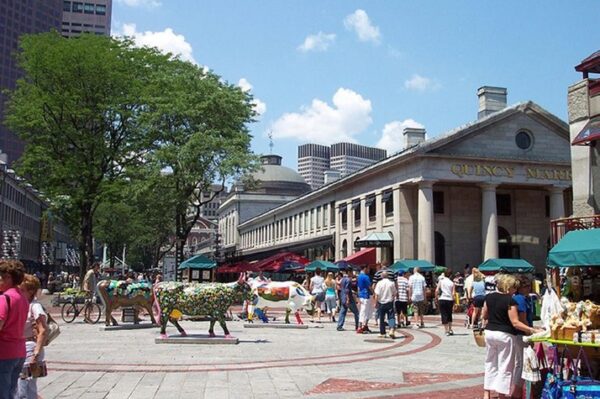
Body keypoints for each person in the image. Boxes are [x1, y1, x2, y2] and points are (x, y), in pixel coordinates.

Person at [481, 274, 540, 399]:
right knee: (505, 365)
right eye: (514, 287)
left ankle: (486, 394)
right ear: (509, 287)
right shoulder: (510, 300)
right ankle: (501, 395)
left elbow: (484, 315)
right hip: (505, 334)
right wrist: (532, 329)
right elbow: (515, 322)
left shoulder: (489, 297)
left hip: (490, 332)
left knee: (490, 362)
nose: (515, 290)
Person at [0, 260, 29, 399]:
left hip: (4, 351)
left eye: (1, 276)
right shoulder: (22, 298)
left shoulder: (5, 298)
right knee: (11, 391)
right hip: (19, 351)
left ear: (8, 278)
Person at [17, 274, 48, 399]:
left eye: (22, 290)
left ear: (31, 292)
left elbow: (43, 330)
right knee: (29, 388)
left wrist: (35, 354)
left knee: (22, 388)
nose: (19, 292)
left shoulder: (35, 306)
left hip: (30, 348)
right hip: (22, 347)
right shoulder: (23, 304)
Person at [511, 275, 535, 399]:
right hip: (522, 335)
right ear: (520, 287)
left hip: (523, 334)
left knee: (520, 363)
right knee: (521, 363)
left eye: (529, 286)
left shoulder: (525, 298)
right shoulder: (519, 299)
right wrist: (530, 332)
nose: (528, 288)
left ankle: (519, 391)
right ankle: (516, 392)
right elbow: (522, 319)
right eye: (526, 286)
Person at [374, 271, 398, 338]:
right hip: (389, 302)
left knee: (381, 318)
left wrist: (375, 303)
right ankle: (391, 329)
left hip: (381, 302)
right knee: (391, 317)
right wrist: (392, 298)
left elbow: (376, 294)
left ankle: (382, 333)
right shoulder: (391, 283)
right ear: (387, 276)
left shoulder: (379, 283)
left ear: (382, 276)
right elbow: (395, 292)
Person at [435, 269, 456, 336]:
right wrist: (454, 302)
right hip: (449, 299)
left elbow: (437, 290)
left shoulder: (441, 281)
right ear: (450, 275)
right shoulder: (452, 283)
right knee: (449, 314)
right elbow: (453, 293)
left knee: (443, 314)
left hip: (442, 298)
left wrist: (436, 297)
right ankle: (450, 329)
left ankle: (446, 330)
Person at [356, 266, 373, 334]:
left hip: (361, 295)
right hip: (366, 295)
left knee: (363, 311)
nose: (369, 270)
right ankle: (361, 326)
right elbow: (369, 286)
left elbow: (358, 287)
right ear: (365, 268)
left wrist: (358, 295)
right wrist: (374, 292)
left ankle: (364, 325)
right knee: (366, 311)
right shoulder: (366, 277)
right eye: (368, 268)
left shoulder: (359, 276)